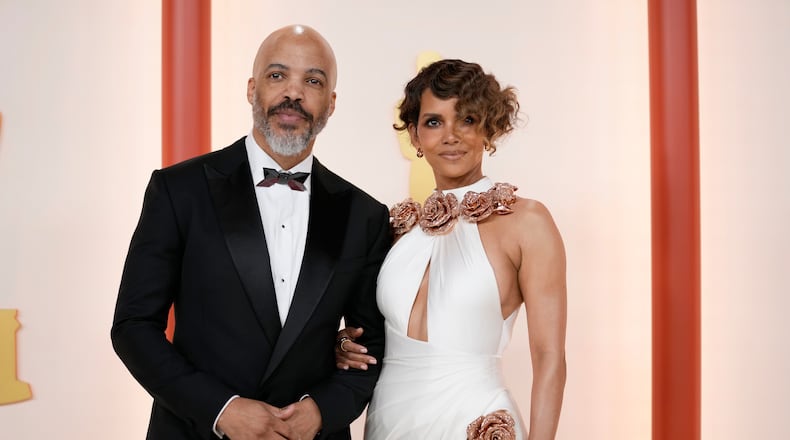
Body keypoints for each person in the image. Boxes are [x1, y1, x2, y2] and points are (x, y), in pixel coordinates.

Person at [111, 24, 390, 440]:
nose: (293, 93)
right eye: (277, 76)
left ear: (331, 103)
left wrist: (322, 412)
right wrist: (220, 410)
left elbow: (370, 348)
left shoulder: (364, 214)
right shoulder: (179, 190)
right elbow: (133, 326)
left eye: (312, 81)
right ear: (251, 88)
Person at [335, 59, 567, 439]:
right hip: (390, 422)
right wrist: (343, 344)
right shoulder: (395, 229)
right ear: (414, 135)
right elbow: (365, 330)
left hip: (475, 418)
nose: (451, 135)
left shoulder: (528, 222)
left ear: (489, 127)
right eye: (433, 122)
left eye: (468, 119)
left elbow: (550, 358)